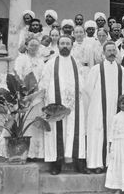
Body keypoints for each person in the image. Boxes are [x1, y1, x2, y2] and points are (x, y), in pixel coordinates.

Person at [39, 35, 86, 175]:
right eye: (62, 43)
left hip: (74, 104)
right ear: (57, 45)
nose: (65, 46)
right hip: (56, 103)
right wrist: (49, 103)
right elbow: (44, 83)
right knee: (56, 132)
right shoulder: (51, 63)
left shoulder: (77, 63)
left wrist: (75, 98)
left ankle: (78, 162)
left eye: (67, 43)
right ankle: (56, 163)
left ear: (72, 45)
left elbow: (83, 83)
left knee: (74, 131)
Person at [0, 37, 45, 159]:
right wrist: (24, 91)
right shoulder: (21, 59)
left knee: (35, 121)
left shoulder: (41, 61)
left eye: (36, 46)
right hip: (24, 94)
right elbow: (18, 75)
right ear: (26, 46)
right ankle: (19, 152)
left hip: (36, 96)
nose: (34, 48)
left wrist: (38, 90)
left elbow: (43, 76)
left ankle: (35, 153)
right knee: (21, 120)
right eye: (31, 45)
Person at [84, 41, 124, 173]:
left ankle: (111, 164)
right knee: (98, 134)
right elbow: (88, 89)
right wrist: (98, 103)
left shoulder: (121, 69)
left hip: (115, 108)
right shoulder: (96, 69)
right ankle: (97, 163)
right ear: (103, 53)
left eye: (113, 50)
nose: (111, 53)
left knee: (114, 134)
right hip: (98, 108)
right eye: (108, 51)